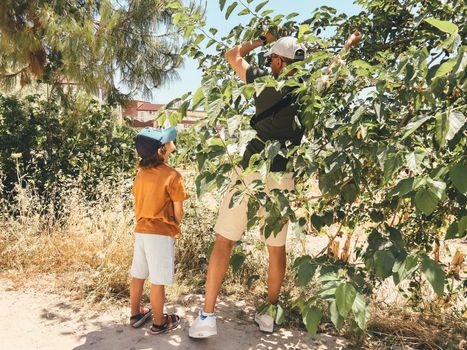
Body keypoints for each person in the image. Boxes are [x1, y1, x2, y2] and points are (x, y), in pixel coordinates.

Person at [189, 31, 362, 338]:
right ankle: (268, 314)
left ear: (280, 61)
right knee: (276, 249)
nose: (269, 64)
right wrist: (347, 46)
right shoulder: (308, 89)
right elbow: (333, 67)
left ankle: (207, 315)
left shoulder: (261, 80)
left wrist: (261, 39)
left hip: (249, 172)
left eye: (272, 59)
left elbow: (232, 54)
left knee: (224, 241)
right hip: (283, 177)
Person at [129, 126, 187, 335]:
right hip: (161, 233)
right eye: (168, 141)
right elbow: (178, 210)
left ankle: (135, 313)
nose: (172, 143)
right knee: (158, 280)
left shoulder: (141, 174)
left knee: (138, 274)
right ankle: (159, 322)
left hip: (142, 231)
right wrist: (175, 225)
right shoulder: (173, 175)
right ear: (162, 150)